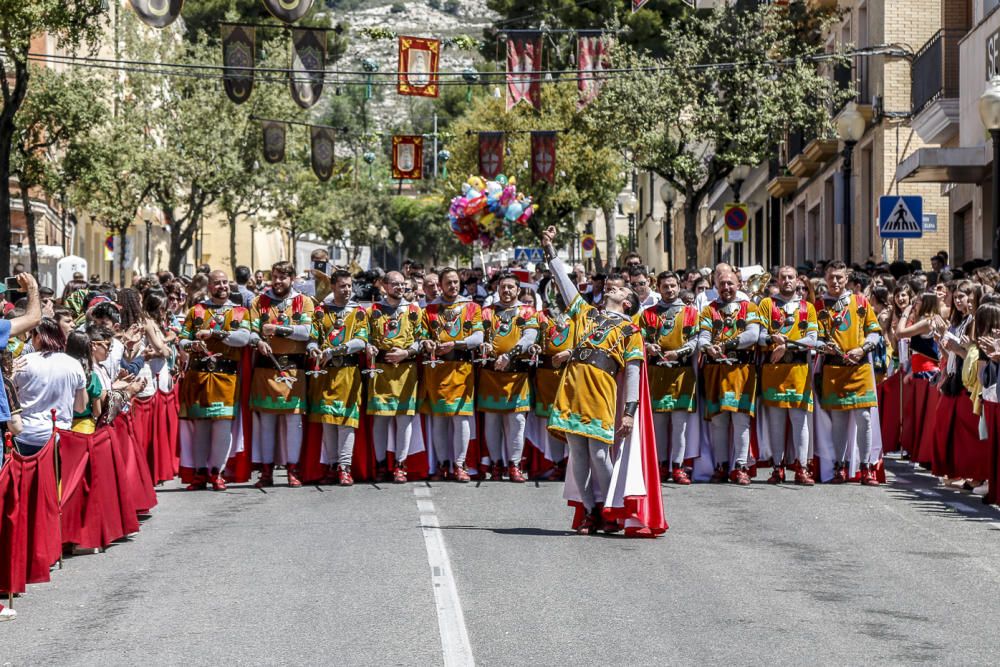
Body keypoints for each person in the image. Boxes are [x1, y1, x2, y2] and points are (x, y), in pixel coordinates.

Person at [541, 227, 644, 533]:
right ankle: (590, 511)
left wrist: (628, 412)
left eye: (621, 289)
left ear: (628, 303)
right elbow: (564, 284)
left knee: (599, 454)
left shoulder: (630, 331)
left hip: (601, 391)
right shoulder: (587, 314)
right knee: (578, 455)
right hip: (573, 388)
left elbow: (635, 371)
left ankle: (612, 509)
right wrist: (550, 249)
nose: (614, 288)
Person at [177, 271, 252, 491]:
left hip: (226, 378)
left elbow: (244, 339)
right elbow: (183, 339)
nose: (222, 286)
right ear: (209, 286)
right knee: (200, 426)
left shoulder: (239, 312)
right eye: (217, 283)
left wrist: (216, 335)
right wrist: (192, 345)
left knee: (222, 426)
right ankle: (200, 472)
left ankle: (216, 472)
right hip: (199, 376)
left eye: (225, 282)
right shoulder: (197, 310)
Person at [816, 261, 883, 484]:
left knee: (863, 418)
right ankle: (839, 467)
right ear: (826, 279)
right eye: (832, 277)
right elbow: (812, 335)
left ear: (847, 279)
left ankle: (866, 468)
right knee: (839, 420)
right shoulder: (818, 305)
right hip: (833, 368)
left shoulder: (860, 302)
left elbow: (874, 332)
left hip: (859, 366)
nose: (835, 281)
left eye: (840, 277)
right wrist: (820, 345)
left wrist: (862, 348)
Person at [250, 261, 316, 488]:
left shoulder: (304, 302)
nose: (278, 282)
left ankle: (292, 469)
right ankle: (266, 471)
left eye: (283, 277)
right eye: (275, 277)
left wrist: (277, 329)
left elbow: (306, 332)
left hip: (293, 370)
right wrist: (258, 340)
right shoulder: (259, 302)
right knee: (266, 421)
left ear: (293, 278)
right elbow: (251, 330)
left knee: (293, 420)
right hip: (265, 368)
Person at [756, 265, 818, 485]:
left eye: (791, 277)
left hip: (799, 371)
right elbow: (760, 335)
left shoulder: (807, 307)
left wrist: (788, 346)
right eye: (783, 278)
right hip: (774, 371)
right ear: (777, 280)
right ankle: (777, 467)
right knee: (776, 421)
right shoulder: (767, 304)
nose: (787, 281)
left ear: (797, 280)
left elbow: (812, 338)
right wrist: (774, 341)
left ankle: (801, 467)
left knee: (800, 421)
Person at [697, 268, 760, 484]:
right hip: (715, 370)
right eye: (722, 284)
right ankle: (722, 465)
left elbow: (753, 335)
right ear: (716, 286)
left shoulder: (749, 308)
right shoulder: (708, 310)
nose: (726, 287)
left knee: (741, 419)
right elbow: (703, 337)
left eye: (730, 283)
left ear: (739, 285)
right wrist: (708, 348)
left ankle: (741, 466)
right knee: (718, 421)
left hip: (742, 371)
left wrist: (725, 344)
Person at [420, 268, 483, 482]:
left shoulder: (472, 307)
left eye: (456, 282)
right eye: (449, 282)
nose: (453, 286)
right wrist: (426, 342)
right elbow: (421, 335)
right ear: (440, 284)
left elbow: (478, 337)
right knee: (440, 419)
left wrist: (456, 344)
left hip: (462, 370)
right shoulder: (430, 309)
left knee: (461, 418)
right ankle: (442, 464)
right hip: (437, 371)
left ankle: (460, 464)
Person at [637, 271, 699, 485]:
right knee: (660, 424)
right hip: (657, 375)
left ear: (679, 285)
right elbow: (638, 338)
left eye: (673, 286)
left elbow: (695, 341)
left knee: (679, 424)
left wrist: (680, 352)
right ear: (658, 287)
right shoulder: (647, 314)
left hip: (681, 374)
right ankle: (661, 465)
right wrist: (648, 347)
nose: (670, 290)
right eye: (665, 286)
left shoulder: (691, 312)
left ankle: (678, 466)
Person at [478, 272, 539, 483]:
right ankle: (496, 465)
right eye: (503, 287)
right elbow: (480, 335)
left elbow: (530, 336)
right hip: (491, 374)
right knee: (492, 421)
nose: (506, 291)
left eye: (510, 287)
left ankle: (514, 464)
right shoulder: (487, 312)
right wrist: (481, 345)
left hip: (517, 375)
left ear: (518, 290)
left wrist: (509, 355)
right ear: (497, 289)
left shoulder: (528, 311)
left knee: (517, 421)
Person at [308, 270, 367, 486]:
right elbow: (313, 338)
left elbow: (361, 341)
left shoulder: (358, 311)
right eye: (343, 286)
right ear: (333, 287)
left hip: (348, 374)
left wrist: (335, 351)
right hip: (325, 373)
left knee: (345, 421)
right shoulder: (321, 311)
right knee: (328, 421)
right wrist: (313, 349)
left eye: (349, 286)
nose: (347, 290)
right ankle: (332, 466)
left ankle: (345, 467)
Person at [366, 271, 423, 483]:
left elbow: (422, 339)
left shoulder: (414, 310)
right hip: (381, 370)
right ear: (385, 286)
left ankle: (400, 464)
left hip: (406, 371)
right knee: (380, 419)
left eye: (402, 285)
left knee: (404, 418)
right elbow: (366, 336)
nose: (399, 288)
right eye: (395, 284)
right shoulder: (373, 311)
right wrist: (369, 346)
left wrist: (407, 352)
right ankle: (381, 465)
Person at [12, 318, 87, 455]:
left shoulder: (21, 363)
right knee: (55, 476)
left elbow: (10, 398)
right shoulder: (74, 364)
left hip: (26, 435)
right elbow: (80, 407)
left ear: (39, 337)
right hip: (59, 435)